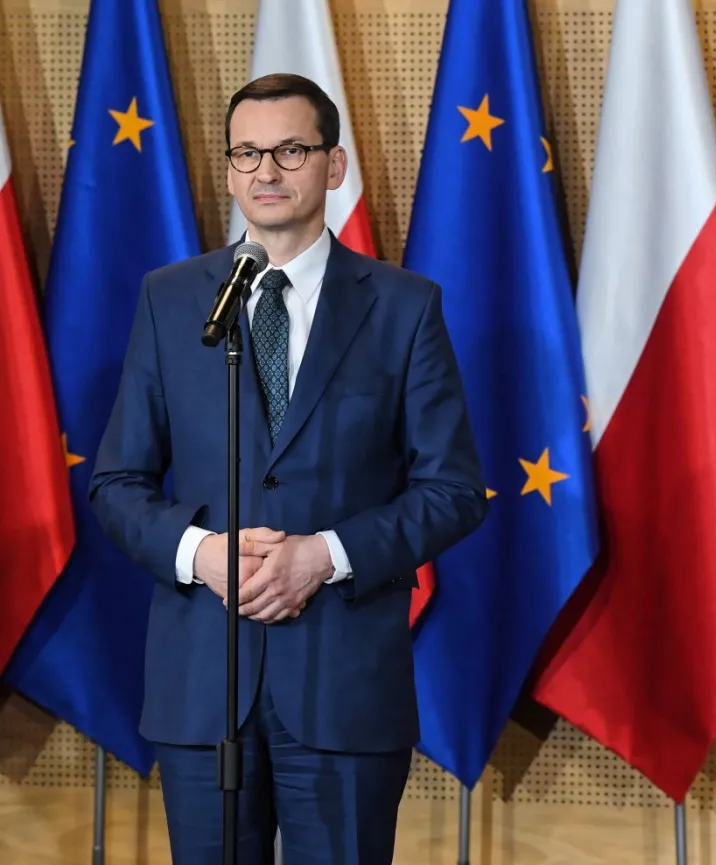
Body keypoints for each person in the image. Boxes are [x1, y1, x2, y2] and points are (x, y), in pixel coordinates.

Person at [88, 73, 488, 864]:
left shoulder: (403, 306)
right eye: (246, 153)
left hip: (344, 686)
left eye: (290, 150)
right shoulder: (173, 300)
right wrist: (200, 553)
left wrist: (324, 556)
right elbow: (117, 483)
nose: (266, 171)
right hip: (204, 685)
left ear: (333, 165)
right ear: (229, 169)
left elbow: (453, 492)